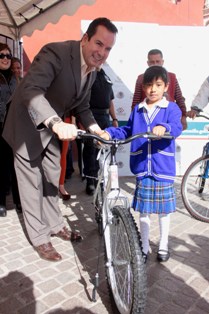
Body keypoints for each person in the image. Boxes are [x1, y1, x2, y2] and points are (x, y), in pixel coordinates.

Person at [2, 17, 118, 262]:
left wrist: (96, 129)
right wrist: (55, 122)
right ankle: (40, 237)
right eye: (99, 44)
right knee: (31, 182)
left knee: (53, 175)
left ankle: (55, 224)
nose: (102, 53)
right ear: (85, 39)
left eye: (108, 48)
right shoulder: (57, 52)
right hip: (26, 122)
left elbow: (83, 106)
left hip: (52, 128)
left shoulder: (92, 70)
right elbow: (31, 89)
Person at [100, 66, 182, 263]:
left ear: (166, 87)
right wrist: (109, 133)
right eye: (148, 85)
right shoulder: (137, 109)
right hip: (142, 169)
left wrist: (165, 127)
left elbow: (177, 127)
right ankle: (144, 246)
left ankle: (163, 245)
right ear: (143, 87)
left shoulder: (171, 108)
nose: (153, 89)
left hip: (162, 169)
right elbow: (128, 130)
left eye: (158, 85)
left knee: (164, 212)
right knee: (144, 212)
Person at [83, 68, 118, 195]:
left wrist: (114, 118)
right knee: (90, 150)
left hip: (105, 117)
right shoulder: (87, 74)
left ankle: (101, 179)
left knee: (103, 150)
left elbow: (110, 101)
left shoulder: (105, 76)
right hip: (90, 115)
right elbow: (81, 99)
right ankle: (90, 180)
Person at [132, 49, 187, 130]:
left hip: (167, 116)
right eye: (152, 62)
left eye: (157, 61)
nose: (155, 64)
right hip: (147, 117)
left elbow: (179, 98)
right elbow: (136, 101)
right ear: (148, 63)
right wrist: (134, 121)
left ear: (162, 62)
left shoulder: (172, 77)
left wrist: (184, 116)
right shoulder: (141, 78)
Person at [0, 43, 21, 217]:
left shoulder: (15, 79)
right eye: (2, 56)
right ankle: (1, 202)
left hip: (14, 127)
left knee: (16, 166)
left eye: (8, 55)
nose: (6, 58)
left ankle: (19, 201)